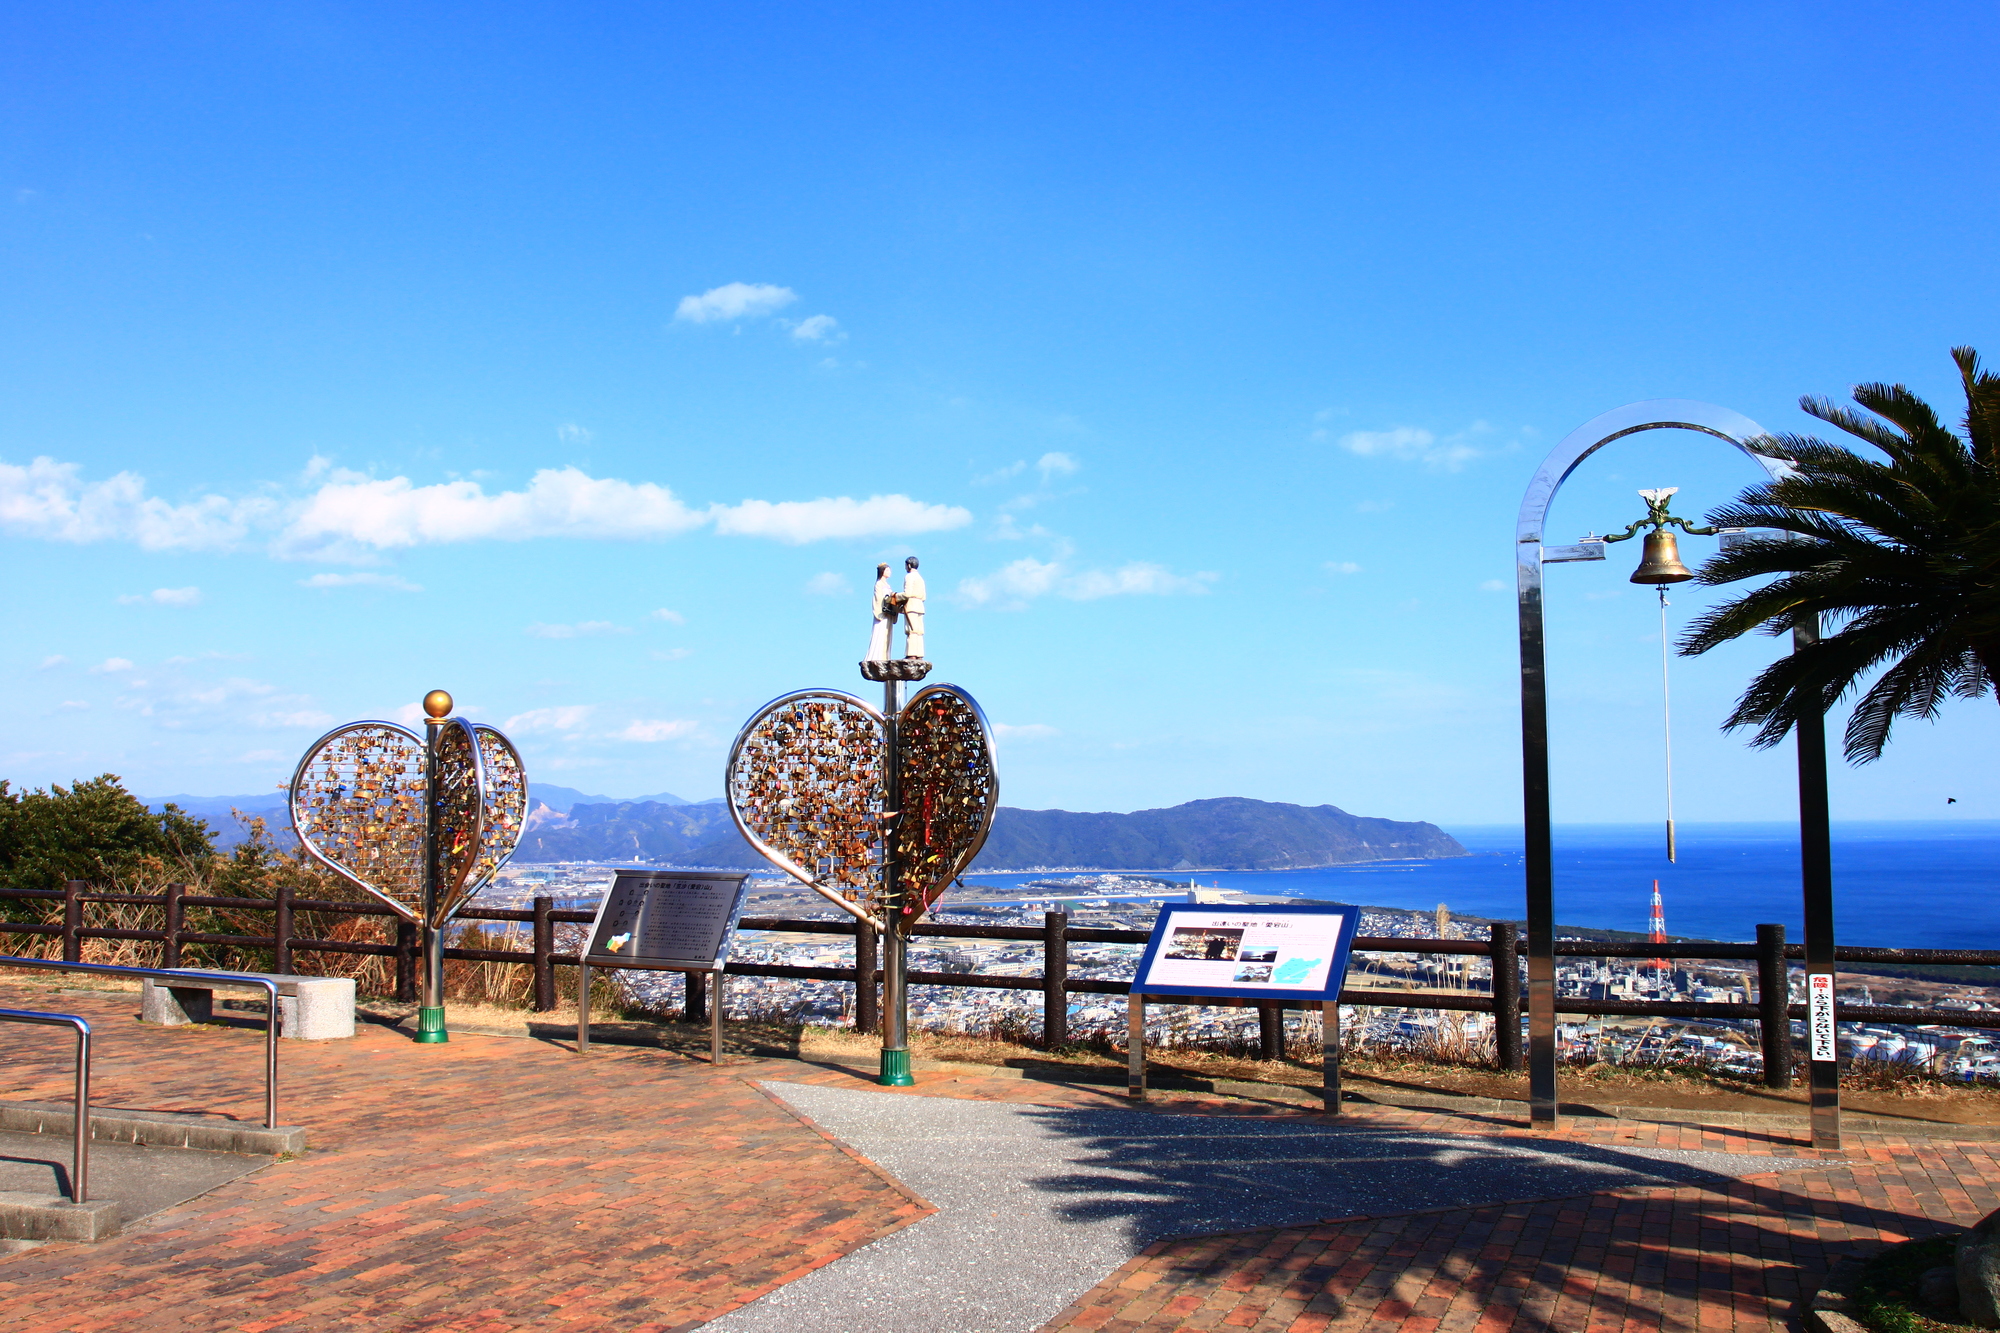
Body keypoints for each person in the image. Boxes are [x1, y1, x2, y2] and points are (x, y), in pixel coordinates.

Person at [866, 563, 894, 661]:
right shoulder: (879, 584)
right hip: (882, 613)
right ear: (882, 571)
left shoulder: (888, 585)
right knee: (880, 633)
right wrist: (885, 606)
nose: (889, 572)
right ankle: (877, 657)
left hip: (888, 613)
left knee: (887, 634)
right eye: (887, 570)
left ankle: (885, 657)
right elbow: (878, 599)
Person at [901, 555, 926, 659]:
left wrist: (896, 596)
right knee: (919, 631)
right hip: (920, 605)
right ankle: (919, 653)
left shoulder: (909, 576)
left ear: (909, 565)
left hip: (911, 605)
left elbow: (907, 593)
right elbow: (924, 595)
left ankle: (911, 653)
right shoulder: (920, 578)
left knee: (911, 630)